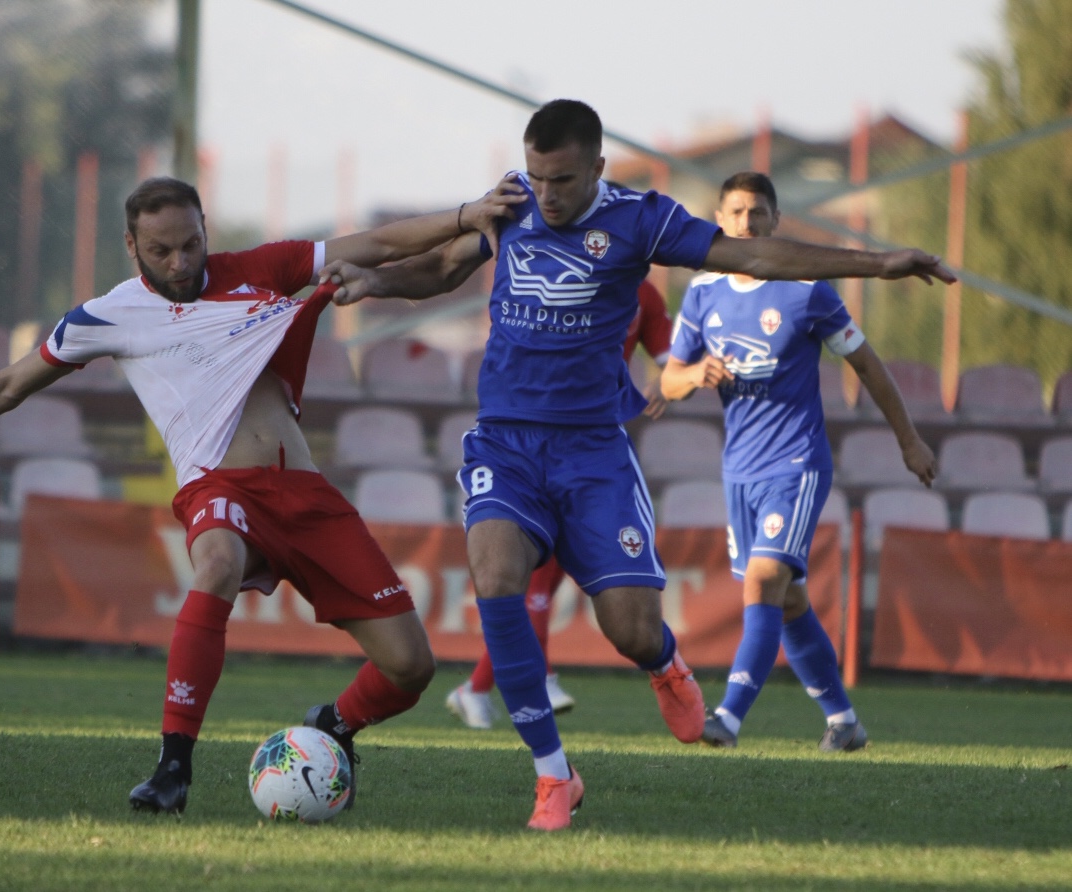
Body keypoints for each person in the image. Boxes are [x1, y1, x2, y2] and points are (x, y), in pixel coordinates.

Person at [319, 99, 952, 831]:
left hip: (593, 451)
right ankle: (554, 778)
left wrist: (878, 264)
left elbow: (752, 255)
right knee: (494, 578)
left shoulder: (642, 218)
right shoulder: (511, 204)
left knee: (630, 629)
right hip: (506, 441)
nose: (545, 195)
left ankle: (666, 665)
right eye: (535, 177)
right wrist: (378, 281)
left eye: (560, 180)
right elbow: (442, 264)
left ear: (596, 169)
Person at [0, 175, 522, 816]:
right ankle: (172, 767)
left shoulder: (264, 270)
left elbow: (378, 246)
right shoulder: (109, 316)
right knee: (216, 560)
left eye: (191, 243)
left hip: (304, 492)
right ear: (131, 245)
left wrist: (470, 217)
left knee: (410, 667)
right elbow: (9, 386)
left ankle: (332, 726)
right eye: (161, 249)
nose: (180, 261)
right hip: (217, 485)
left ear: (204, 229)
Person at [660, 171, 937, 752]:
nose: (747, 224)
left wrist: (908, 439)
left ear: (776, 222)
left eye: (758, 213)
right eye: (736, 213)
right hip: (739, 471)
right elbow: (667, 379)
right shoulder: (703, 294)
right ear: (719, 221)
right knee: (787, 600)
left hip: (796, 462)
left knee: (763, 582)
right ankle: (843, 721)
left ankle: (728, 718)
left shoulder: (807, 292)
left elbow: (868, 366)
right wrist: (693, 374)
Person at [444, 278, 674, 730]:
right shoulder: (555, 272)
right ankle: (535, 679)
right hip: (530, 447)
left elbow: (670, 358)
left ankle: (476, 687)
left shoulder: (643, 294)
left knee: (543, 588)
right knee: (531, 587)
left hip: (590, 447)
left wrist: (675, 378)